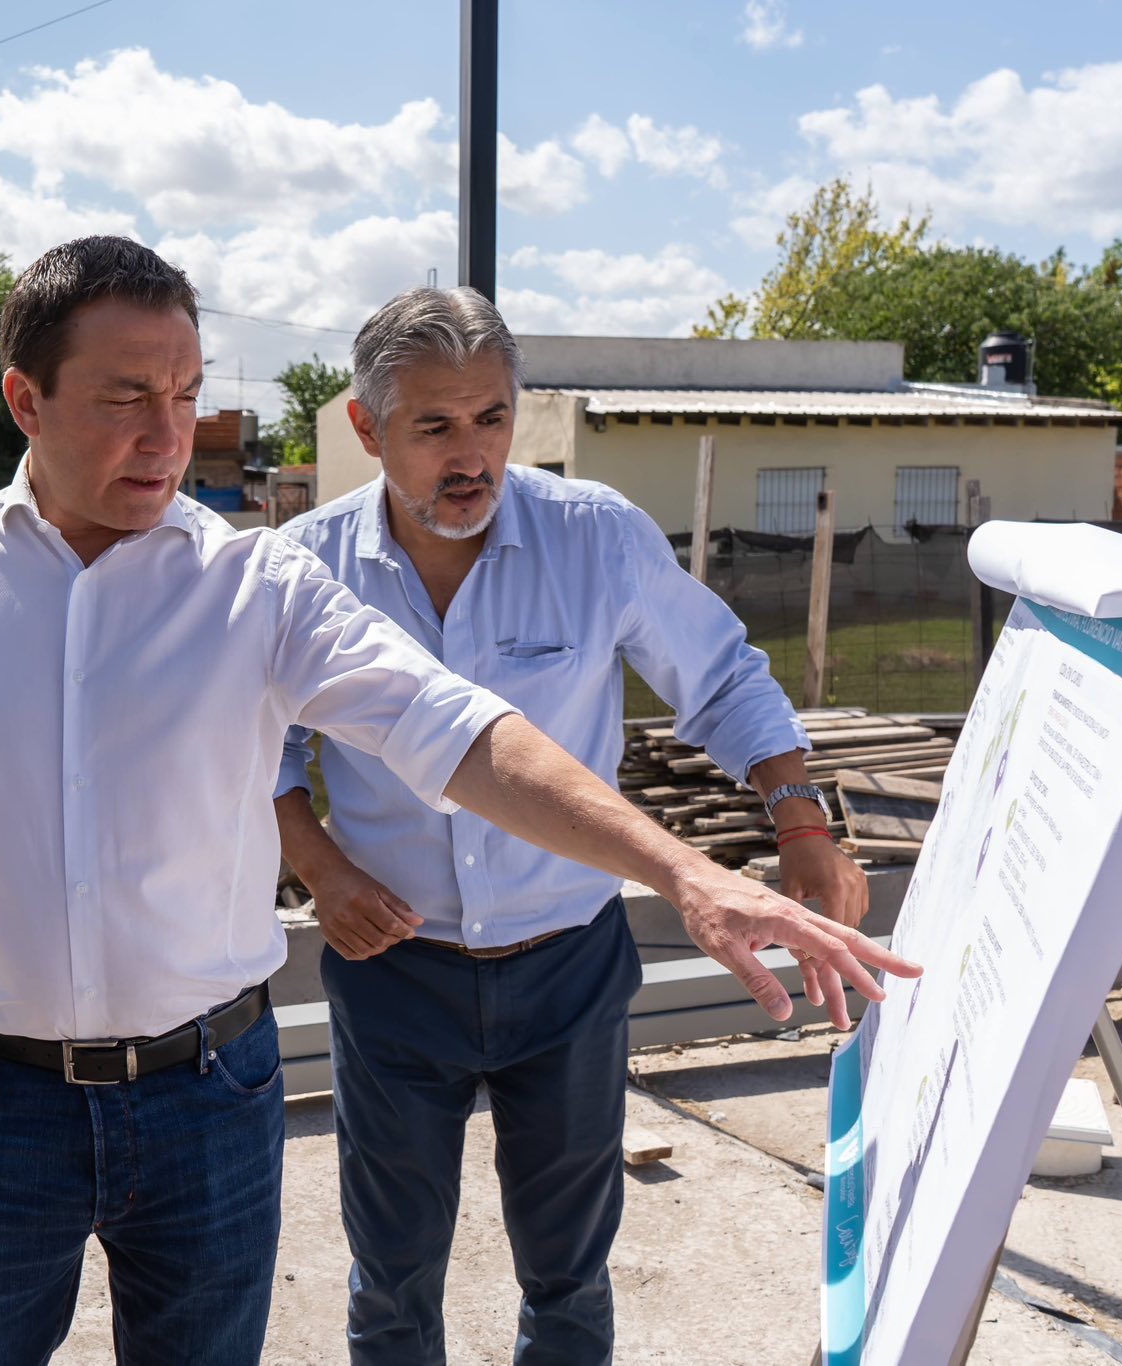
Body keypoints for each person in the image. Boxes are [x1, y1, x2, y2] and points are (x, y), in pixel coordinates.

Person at [0, 237, 916, 1366]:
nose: (167, 434)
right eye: (126, 397)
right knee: (376, 1283)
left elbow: (464, 733)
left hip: (213, 1095)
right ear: (23, 399)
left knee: (560, 1262)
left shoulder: (258, 584)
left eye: (186, 394)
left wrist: (688, 867)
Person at [271, 286, 874, 1365]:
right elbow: (256, 756)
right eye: (434, 426)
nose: (472, 455)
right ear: (364, 428)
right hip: (393, 969)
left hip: (567, 973)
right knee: (393, 1272)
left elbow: (723, 679)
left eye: (491, 418)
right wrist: (319, 867)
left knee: (566, 1270)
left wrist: (801, 827)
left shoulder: (592, 537)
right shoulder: (302, 568)